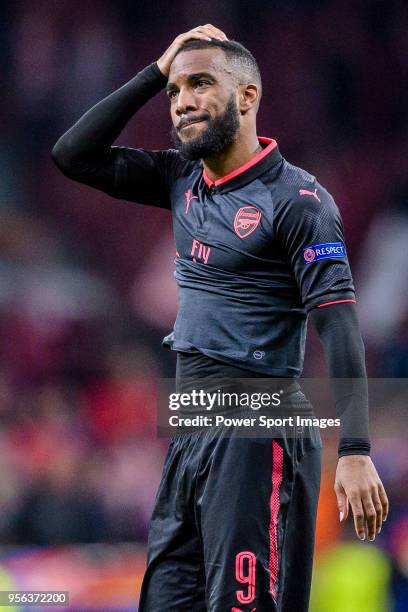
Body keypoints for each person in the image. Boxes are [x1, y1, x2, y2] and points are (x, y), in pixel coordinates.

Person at [52, 24, 389, 611]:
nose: (181, 102)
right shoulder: (182, 180)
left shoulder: (298, 202)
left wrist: (356, 450)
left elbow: (338, 325)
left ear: (248, 97)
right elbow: (72, 155)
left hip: (259, 426)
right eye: (174, 91)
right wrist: (155, 71)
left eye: (200, 84)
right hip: (192, 424)